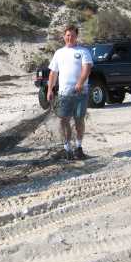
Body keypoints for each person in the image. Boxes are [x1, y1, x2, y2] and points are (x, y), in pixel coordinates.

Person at [47, 25, 93, 160]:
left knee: (79, 120)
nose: (69, 37)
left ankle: (79, 147)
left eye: (72, 35)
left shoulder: (83, 51)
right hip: (64, 94)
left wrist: (79, 83)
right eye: (67, 35)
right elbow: (53, 73)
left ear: (76, 36)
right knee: (63, 120)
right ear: (64, 36)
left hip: (80, 93)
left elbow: (87, 68)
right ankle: (67, 148)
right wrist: (50, 89)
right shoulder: (58, 53)